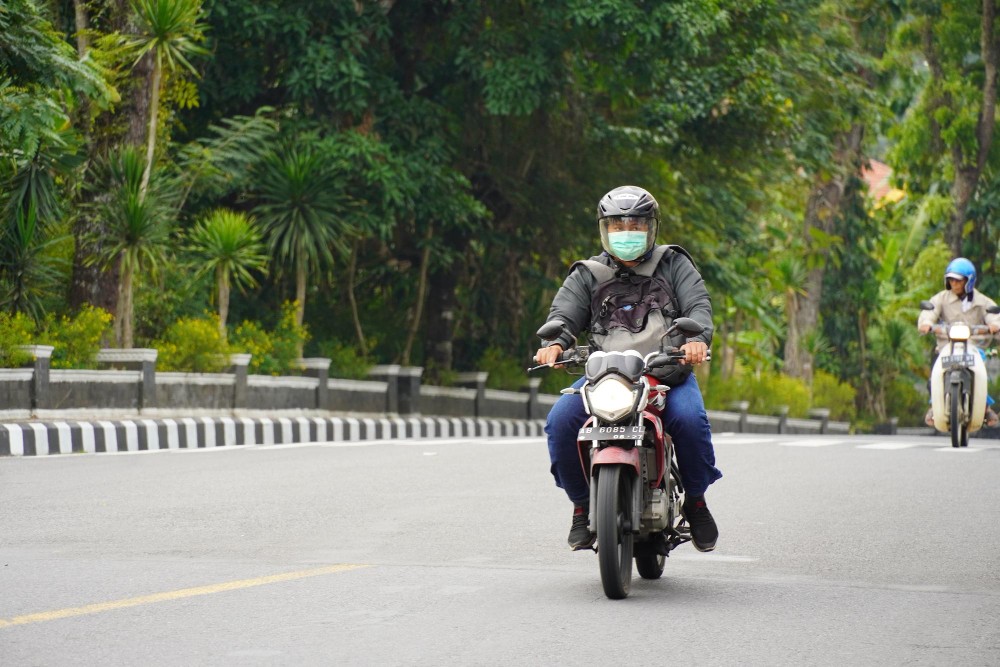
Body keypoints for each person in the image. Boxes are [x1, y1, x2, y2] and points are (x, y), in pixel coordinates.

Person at [533, 185, 722, 553]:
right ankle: (583, 506)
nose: (627, 233)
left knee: (690, 420)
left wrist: (696, 340)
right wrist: (555, 344)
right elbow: (564, 316)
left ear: (652, 227)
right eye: (617, 226)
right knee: (560, 422)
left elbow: (698, 308)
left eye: (635, 224)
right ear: (604, 230)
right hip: (606, 377)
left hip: (665, 373)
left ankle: (696, 502)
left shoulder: (674, 263)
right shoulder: (589, 273)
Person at [917, 257, 1000, 427]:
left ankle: (984, 406)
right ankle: (935, 404)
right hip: (947, 346)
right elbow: (929, 312)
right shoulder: (941, 298)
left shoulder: (982, 301)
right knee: (936, 372)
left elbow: (995, 316)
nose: (954, 283)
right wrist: (926, 324)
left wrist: (994, 325)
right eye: (951, 279)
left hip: (974, 348)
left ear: (969, 281)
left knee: (980, 372)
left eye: (958, 280)